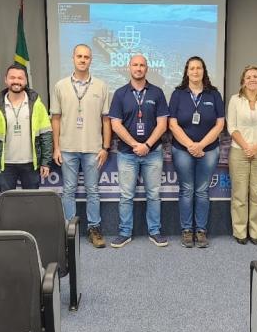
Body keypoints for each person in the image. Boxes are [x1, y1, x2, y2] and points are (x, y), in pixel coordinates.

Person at [51, 44, 111, 248]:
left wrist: (105, 147)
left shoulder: (101, 86)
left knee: (92, 190)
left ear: (91, 60)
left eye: (86, 57)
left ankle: (94, 228)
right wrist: (56, 147)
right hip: (67, 148)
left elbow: (106, 120)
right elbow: (56, 119)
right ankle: (70, 230)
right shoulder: (60, 86)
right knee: (68, 190)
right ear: (73, 58)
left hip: (93, 148)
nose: (83, 60)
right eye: (79, 56)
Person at [108, 54, 169, 248]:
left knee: (153, 194)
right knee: (126, 195)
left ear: (147, 69)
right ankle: (125, 232)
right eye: (135, 65)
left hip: (153, 153)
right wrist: (135, 144)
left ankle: (155, 231)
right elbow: (115, 124)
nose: (138, 68)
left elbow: (162, 124)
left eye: (142, 65)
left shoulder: (157, 93)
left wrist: (147, 145)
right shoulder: (120, 94)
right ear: (129, 68)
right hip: (127, 153)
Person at [168, 56, 225, 248]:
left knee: (201, 191)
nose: (195, 71)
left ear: (204, 71)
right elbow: (172, 123)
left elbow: (220, 124)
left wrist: (200, 145)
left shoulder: (214, 94)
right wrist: (191, 145)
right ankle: (186, 230)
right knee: (186, 190)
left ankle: (200, 230)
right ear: (186, 72)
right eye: (191, 68)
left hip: (208, 150)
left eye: (198, 68)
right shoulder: (178, 94)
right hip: (182, 150)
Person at [0, 64, 53, 191]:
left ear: (25, 81)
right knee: (7, 204)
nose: (16, 81)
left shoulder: (37, 105)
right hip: (5, 165)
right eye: (12, 77)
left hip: (31, 164)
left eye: (20, 78)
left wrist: (45, 162)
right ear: (6, 80)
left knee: (30, 203)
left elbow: (46, 136)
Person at [226, 65, 257, 245]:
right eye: (248, 77)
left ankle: (255, 231)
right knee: (239, 194)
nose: (252, 79)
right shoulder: (235, 100)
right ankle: (240, 231)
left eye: (256, 76)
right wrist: (247, 146)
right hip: (239, 151)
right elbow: (232, 127)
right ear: (243, 81)